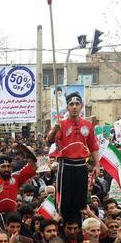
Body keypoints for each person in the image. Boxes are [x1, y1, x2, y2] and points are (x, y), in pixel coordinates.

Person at [46, 92, 100, 221]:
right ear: (67, 107)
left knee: (81, 200)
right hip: (65, 165)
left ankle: (79, 225)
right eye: (71, 104)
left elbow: (93, 146)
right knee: (64, 200)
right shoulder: (62, 124)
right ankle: (62, 225)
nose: (74, 107)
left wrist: (97, 164)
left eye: (77, 104)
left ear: (81, 106)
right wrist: (55, 129)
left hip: (81, 165)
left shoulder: (88, 125)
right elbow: (50, 140)